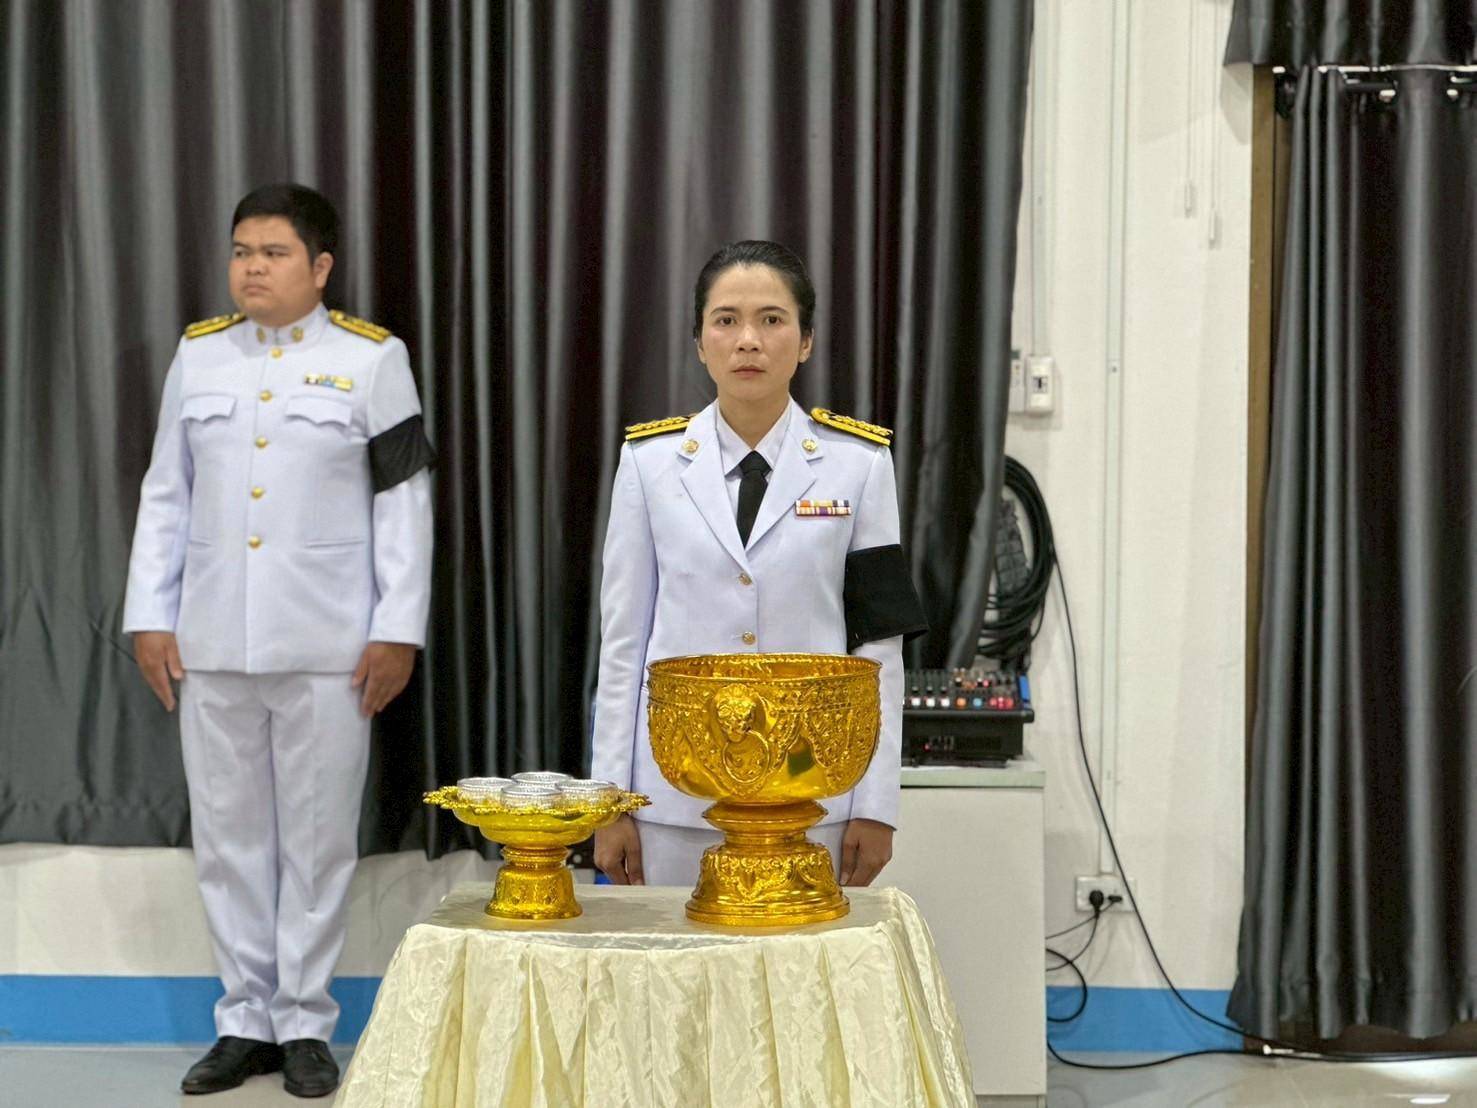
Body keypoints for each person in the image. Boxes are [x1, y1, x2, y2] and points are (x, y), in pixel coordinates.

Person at [122, 183, 434, 1098]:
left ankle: (303, 1022)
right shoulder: (200, 355)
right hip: (212, 639)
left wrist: (396, 628)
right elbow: (166, 491)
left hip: (330, 645)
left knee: (317, 840)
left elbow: (403, 503)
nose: (252, 268)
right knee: (227, 842)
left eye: (273, 253)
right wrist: (150, 613)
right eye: (241, 252)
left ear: (320, 267)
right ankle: (243, 1020)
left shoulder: (372, 359)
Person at [591, 240, 926, 889]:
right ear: (699, 342)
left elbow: (878, 647)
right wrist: (611, 799)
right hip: (674, 794)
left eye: (772, 319)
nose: (748, 340)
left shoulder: (858, 465)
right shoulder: (649, 464)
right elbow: (623, 644)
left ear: (805, 341)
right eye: (726, 320)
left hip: (810, 784)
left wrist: (876, 803)